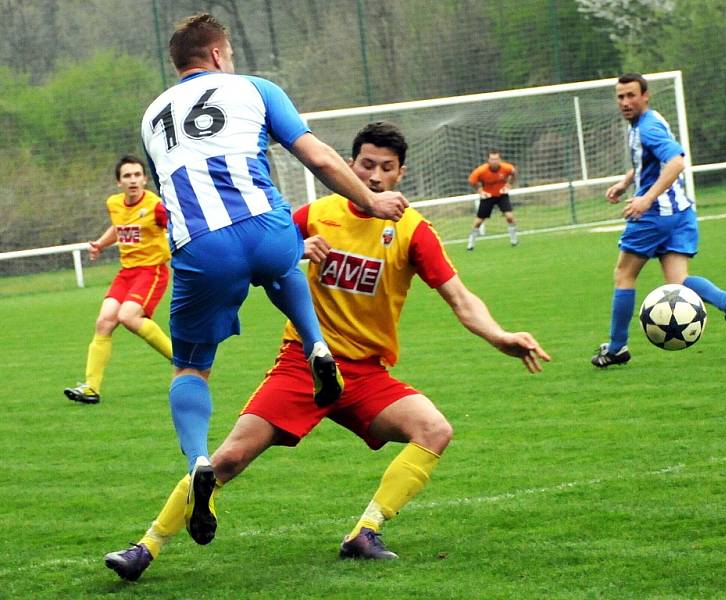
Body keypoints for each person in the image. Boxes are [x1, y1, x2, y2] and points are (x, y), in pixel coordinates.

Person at [104, 121, 550, 581]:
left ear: (401, 174)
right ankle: (146, 547)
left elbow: (460, 296)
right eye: (366, 165)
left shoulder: (413, 230)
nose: (375, 176)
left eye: (387, 168)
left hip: (365, 375)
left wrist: (499, 336)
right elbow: (258, 258)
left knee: (434, 430)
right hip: (303, 363)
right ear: (349, 165)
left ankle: (365, 531)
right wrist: (295, 249)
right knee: (228, 459)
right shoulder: (314, 214)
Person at [140, 12, 408, 501]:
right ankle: (316, 346)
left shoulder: (152, 116)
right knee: (283, 265)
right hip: (268, 225)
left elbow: (169, 193)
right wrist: (369, 201)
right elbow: (321, 157)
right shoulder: (256, 88)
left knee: (191, 368)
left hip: (202, 244)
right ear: (219, 54)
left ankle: (199, 458)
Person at [591, 73, 726, 368]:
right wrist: (627, 182)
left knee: (624, 275)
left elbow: (676, 161)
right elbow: (650, 162)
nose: (625, 102)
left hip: (655, 216)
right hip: (680, 213)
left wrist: (645, 199)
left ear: (645, 95)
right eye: (620, 97)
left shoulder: (647, 127)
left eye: (631, 96)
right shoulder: (649, 121)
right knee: (678, 281)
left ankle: (616, 348)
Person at [64, 156, 172, 405]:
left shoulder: (155, 206)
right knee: (104, 322)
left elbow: (177, 226)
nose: (133, 180)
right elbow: (118, 227)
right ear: (118, 182)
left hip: (151, 271)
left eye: (137, 175)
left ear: (145, 179)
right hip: (126, 274)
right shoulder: (114, 204)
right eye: (127, 176)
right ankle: (91, 388)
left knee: (128, 317)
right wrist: (101, 244)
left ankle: (181, 361)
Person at [466, 150, 518, 250]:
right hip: (488, 196)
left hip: (501, 194)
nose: (494, 161)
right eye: (492, 159)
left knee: (509, 216)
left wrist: (509, 185)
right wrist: (480, 190)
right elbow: (471, 181)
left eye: (496, 159)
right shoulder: (481, 171)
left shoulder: (506, 167)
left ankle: (514, 239)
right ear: (488, 160)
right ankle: (471, 242)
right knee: (478, 221)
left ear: (500, 160)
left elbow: (513, 173)